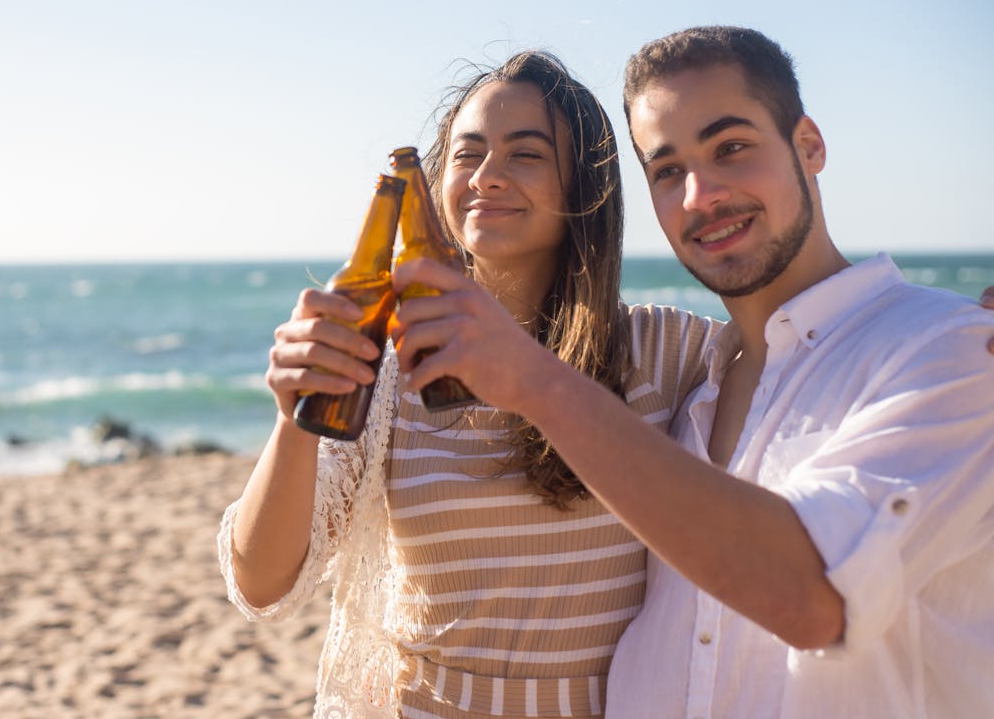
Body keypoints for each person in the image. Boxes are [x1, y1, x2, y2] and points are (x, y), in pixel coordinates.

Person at [390, 27, 994, 718]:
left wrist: (536, 379)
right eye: (667, 169)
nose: (700, 194)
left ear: (809, 145)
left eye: (731, 147)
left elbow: (812, 594)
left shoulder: (952, 352)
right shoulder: (692, 376)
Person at [218, 50, 720, 719]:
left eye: (526, 154)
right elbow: (260, 584)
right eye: (468, 153)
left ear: (584, 187)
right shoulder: (390, 371)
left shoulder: (665, 352)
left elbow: (801, 355)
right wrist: (294, 419)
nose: (488, 176)